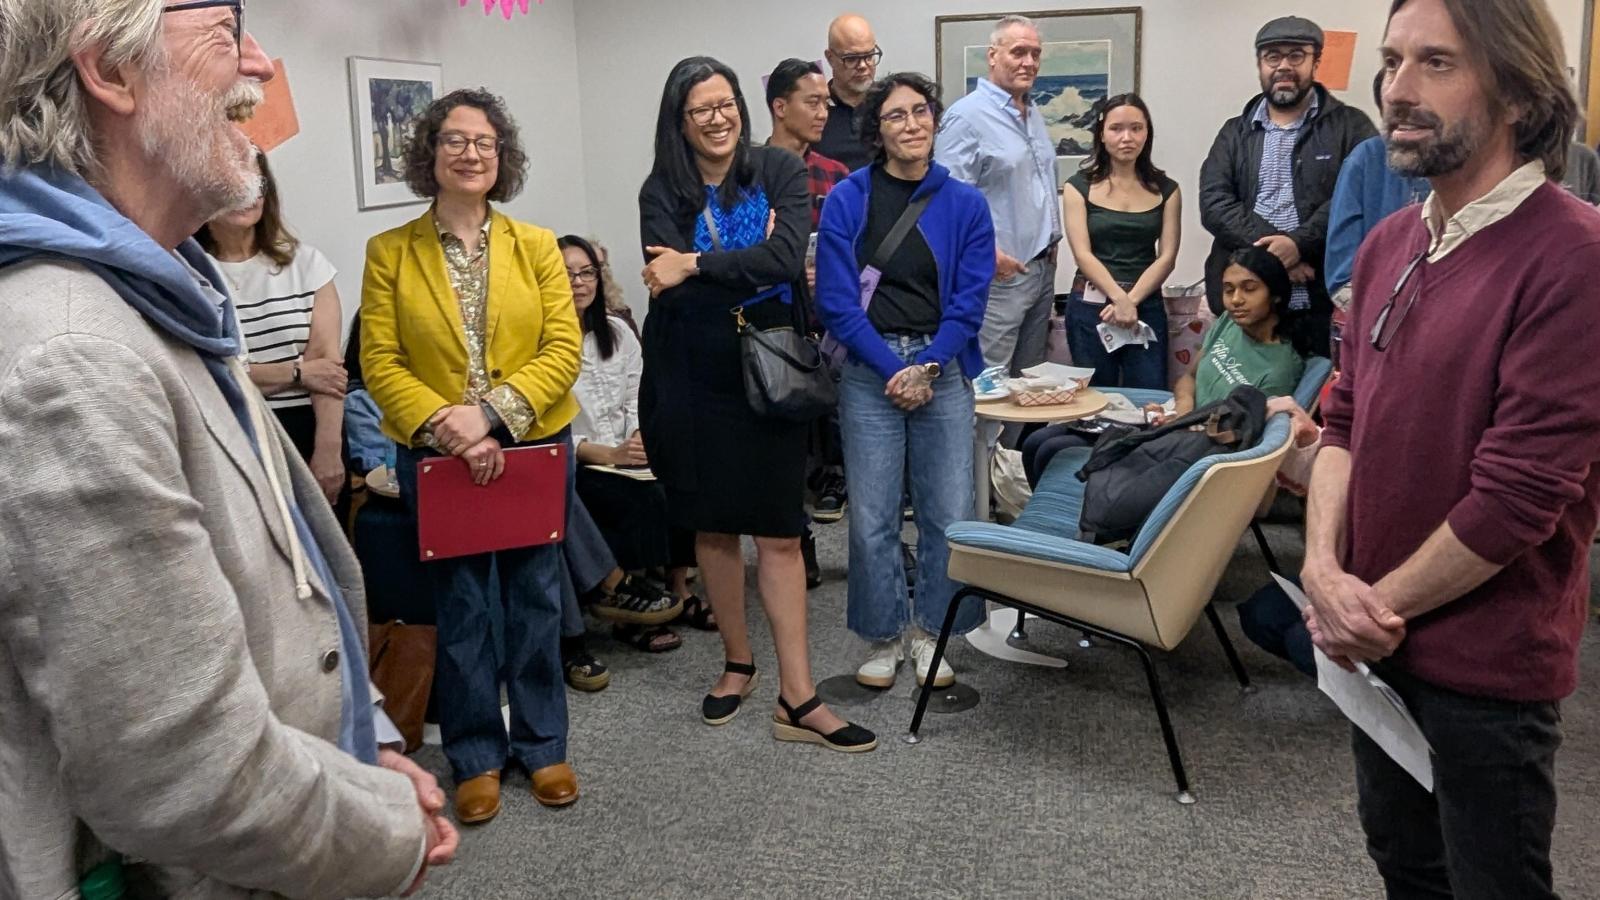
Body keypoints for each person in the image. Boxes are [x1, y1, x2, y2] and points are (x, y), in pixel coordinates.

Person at [0, 2, 455, 896]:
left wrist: (363, 742)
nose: (262, 64)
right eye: (224, 27)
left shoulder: (160, 294)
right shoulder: (71, 353)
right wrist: (385, 830)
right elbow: (180, 773)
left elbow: (280, 583)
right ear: (110, 71)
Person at [1303, 0, 1600, 895]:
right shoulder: (1393, 242)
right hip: (1373, 645)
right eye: (1392, 63)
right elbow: (1343, 420)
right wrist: (1322, 570)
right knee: (1406, 867)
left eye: (1436, 63)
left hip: (1485, 664)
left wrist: (1364, 609)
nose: (1397, 90)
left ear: (1515, 88)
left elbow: (1517, 496)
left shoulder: (1574, 256)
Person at [638, 56, 876, 752]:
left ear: (743, 109)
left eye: (726, 104)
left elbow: (783, 259)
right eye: (700, 109)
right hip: (689, 372)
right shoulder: (662, 187)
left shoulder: (776, 171)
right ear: (680, 122)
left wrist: (697, 264)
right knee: (713, 526)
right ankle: (736, 663)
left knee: (777, 529)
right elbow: (663, 277)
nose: (717, 118)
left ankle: (797, 696)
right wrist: (701, 268)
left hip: (769, 364)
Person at [361, 87, 582, 822]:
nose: (470, 153)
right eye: (454, 140)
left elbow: (563, 349)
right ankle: (477, 756)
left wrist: (490, 416)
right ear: (430, 154)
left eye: (484, 142)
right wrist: (449, 428)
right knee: (460, 607)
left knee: (535, 599)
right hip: (436, 454)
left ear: (502, 155)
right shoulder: (388, 252)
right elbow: (380, 361)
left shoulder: (539, 246)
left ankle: (545, 746)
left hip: (534, 443)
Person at [815, 72, 995, 689]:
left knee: (948, 513)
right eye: (896, 116)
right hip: (870, 372)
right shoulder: (848, 199)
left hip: (942, 371)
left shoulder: (966, 203)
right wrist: (897, 371)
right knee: (872, 515)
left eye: (921, 111)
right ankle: (885, 635)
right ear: (877, 132)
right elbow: (837, 303)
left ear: (935, 121)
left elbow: (970, 304)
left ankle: (930, 634)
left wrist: (930, 367)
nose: (912, 124)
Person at [1022, 246, 1311, 486]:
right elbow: (1189, 377)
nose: (1236, 300)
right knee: (1038, 440)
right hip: (1176, 422)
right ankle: (1046, 527)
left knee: (1052, 449)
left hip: (1198, 449)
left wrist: (1185, 426)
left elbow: (1242, 441)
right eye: (1228, 290)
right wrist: (1182, 412)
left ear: (1275, 294)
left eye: (1249, 289)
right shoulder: (1228, 324)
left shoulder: (1279, 367)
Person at [1199, 15, 1376, 357]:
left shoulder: (1352, 127)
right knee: (1238, 399)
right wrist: (1279, 255)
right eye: (1273, 57)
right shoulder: (1234, 132)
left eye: (1296, 55)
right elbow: (1214, 203)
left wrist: (1298, 244)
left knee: (1316, 398)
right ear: (1259, 64)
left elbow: (1358, 197)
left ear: (1315, 62)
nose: (1283, 66)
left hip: (1321, 294)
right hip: (1245, 301)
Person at [560, 233, 699, 652]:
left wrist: (641, 436)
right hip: (585, 460)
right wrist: (610, 454)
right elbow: (552, 431)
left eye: (587, 273)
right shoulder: (540, 343)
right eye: (567, 275)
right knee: (634, 497)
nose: (579, 283)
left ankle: (679, 592)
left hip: (631, 448)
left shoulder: (618, 331)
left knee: (683, 475)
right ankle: (629, 611)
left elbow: (642, 392)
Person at [198, 149, 349, 503]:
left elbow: (327, 368)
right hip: (234, 431)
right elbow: (209, 377)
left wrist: (329, 450)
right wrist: (298, 373)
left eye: (256, 182)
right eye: (232, 182)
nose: (248, 193)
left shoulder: (307, 264)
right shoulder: (190, 274)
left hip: (312, 428)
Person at [936, 15, 1062, 389]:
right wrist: (987, 256)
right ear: (992, 56)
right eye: (1018, 52)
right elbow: (946, 200)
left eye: (1035, 54)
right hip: (996, 277)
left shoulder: (1032, 113)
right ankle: (978, 453)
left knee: (1028, 390)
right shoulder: (966, 117)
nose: (1029, 62)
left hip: (1040, 271)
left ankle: (1010, 453)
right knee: (987, 389)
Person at [765, 56, 851, 574]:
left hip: (830, 324)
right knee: (780, 446)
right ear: (780, 107)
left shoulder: (836, 176)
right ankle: (794, 545)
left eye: (826, 102)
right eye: (812, 102)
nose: (823, 112)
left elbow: (857, 253)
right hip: (771, 324)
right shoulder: (748, 174)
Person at [1061, 93, 1181, 390]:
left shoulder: (1167, 190)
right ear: (1101, 134)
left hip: (1146, 305)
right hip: (1092, 305)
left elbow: (1166, 257)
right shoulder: (1079, 187)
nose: (1126, 137)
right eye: (1116, 129)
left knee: (1150, 397)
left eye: (1136, 128)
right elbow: (1082, 254)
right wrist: (1119, 298)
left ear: (1147, 133)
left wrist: (1132, 301)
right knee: (1095, 400)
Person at [1323, 70, 1431, 312]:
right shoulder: (1366, 158)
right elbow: (1341, 274)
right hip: (1375, 318)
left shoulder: (1459, 161)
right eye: (1394, 106)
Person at [817, 13, 880, 171]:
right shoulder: (816, 111)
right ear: (830, 58)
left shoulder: (889, 105)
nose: (863, 66)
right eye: (851, 58)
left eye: (870, 56)